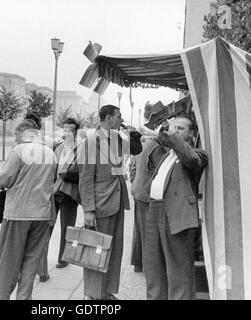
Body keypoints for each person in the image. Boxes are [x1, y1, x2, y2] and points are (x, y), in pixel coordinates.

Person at [78, 105, 142, 300]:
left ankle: (107, 291)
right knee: (97, 248)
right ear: (108, 118)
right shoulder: (90, 142)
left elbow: (135, 151)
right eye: (118, 116)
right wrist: (88, 210)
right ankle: (93, 294)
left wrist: (134, 136)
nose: (121, 119)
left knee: (114, 249)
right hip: (100, 203)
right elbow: (86, 179)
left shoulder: (115, 139)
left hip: (116, 201)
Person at [143, 115, 207, 300]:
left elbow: (189, 157)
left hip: (177, 215)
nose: (175, 131)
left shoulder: (198, 154)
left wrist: (173, 136)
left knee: (179, 270)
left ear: (192, 134)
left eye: (181, 128)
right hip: (154, 211)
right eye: (174, 127)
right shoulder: (166, 154)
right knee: (154, 267)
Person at [0, 119, 56, 300]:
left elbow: (4, 181)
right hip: (41, 214)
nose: (15, 138)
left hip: (17, 214)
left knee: (8, 261)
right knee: (31, 261)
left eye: (16, 134)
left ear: (23, 133)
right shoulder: (50, 153)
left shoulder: (18, 151)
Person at [37, 118, 81, 282]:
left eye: (71, 130)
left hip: (70, 193)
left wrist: (67, 175)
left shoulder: (82, 149)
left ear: (76, 132)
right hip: (54, 192)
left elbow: (84, 173)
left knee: (68, 228)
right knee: (46, 227)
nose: (67, 133)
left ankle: (63, 258)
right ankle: (41, 266)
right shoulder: (58, 147)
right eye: (65, 130)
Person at [129, 136, 166, 272]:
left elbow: (132, 168)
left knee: (139, 230)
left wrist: (135, 184)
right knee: (148, 233)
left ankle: (138, 264)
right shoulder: (157, 149)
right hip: (146, 194)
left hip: (138, 191)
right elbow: (163, 172)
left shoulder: (144, 145)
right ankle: (149, 267)